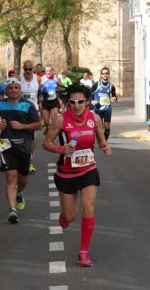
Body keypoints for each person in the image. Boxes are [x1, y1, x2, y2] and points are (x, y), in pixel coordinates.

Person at [43, 83, 112, 267]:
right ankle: (64, 217)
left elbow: (100, 137)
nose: (76, 105)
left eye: (80, 101)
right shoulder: (60, 120)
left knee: (88, 208)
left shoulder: (94, 118)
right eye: (72, 102)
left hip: (88, 169)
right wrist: (61, 148)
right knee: (70, 216)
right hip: (66, 173)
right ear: (68, 102)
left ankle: (83, 253)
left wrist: (105, 146)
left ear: (87, 101)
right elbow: (46, 142)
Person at [0, 78, 42, 224]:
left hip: (24, 147)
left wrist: (21, 126)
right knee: (11, 177)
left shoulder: (28, 105)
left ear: (21, 90)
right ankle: (12, 210)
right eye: (10, 88)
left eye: (16, 87)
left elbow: (39, 125)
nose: (13, 90)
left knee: (22, 179)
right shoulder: (0, 105)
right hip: (6, 145)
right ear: (5, 91)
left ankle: (19, 193)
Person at [20, 60, 42, 174]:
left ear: (32, 69)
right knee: (22, 135)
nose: (28, 71)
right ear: (23, 69)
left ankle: (29, 160)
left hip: (33, 111)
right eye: (25, 69)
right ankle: (20, 159)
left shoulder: (37, 78)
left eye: (30, 69)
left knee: (32, 137)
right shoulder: (19, 79)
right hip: (21, 111)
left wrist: (41, 100)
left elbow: (40, 92)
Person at [91, 67, 117, 140]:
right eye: (103, 73)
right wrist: (92, 101)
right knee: (99, 126)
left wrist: (114, 98)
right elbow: (90, 94)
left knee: (107, 126)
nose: (105, 75)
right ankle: (100, 140)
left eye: (106, 73)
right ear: (101, 75)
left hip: (107, 108)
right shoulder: (96, 84)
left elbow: (114, 96)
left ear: (108, 75)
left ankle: (105, 141)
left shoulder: (111, 86)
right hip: (98, 108)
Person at [40, 65, 60, 135]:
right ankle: (47, 127)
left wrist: (58, 90)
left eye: (50, 71)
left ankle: (52, 133)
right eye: (47, 71)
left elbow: (61, 87)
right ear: (45, 72)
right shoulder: (42, 78)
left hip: (54, 101)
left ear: (52, 71)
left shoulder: (56, 78)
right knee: (46, 121)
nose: (48, 72)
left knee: (54, 118)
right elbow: (39, 89)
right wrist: (42, 93)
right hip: (45, 101)